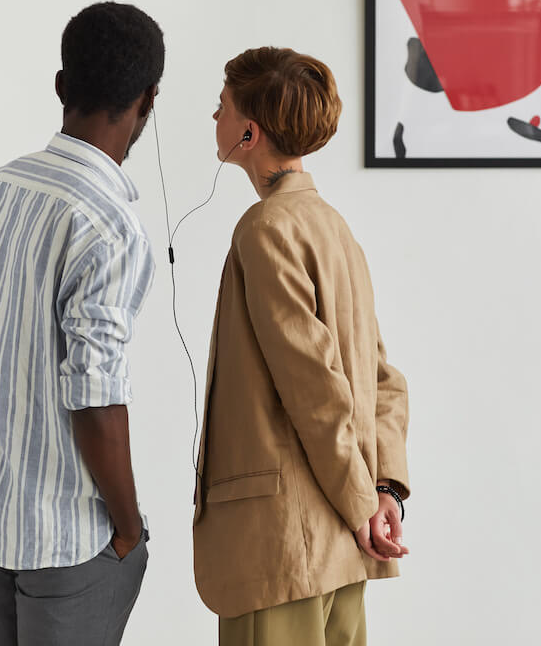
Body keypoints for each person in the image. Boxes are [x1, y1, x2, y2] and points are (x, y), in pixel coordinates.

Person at [0, 1, 163, 646]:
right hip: (66, 535)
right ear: (148, 101)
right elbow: (95, 396)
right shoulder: (107, 222)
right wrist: (127, 526)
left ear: (62, 85)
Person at [193, 47, 411, 646]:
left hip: (283, 547)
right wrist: (383, 491)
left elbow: (313, 387)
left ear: (249, 132)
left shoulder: (266, 229)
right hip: (341, 541)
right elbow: (382, 377)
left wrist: (367, 502)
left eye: (220, 108)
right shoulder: (333, 226)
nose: (213, 119)